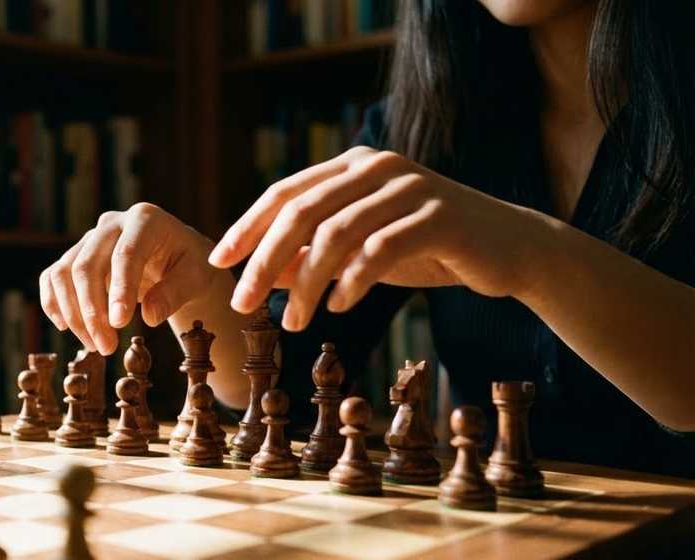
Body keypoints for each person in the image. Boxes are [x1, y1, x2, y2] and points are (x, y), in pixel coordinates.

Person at [38, 0, 695, 477]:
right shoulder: (423, 125)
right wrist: (194, 287)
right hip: (503, 559)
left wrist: (528, 253)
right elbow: (282, 385)